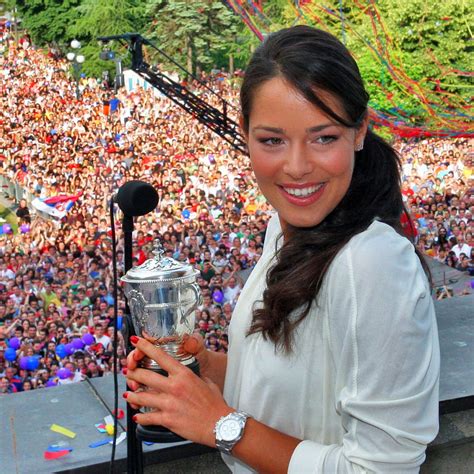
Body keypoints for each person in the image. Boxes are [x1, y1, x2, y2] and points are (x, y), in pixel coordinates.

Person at [124, 26, 440, 472]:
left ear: (360, 131)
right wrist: (206, 369)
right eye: (272, 140)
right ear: (245, 134)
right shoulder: (286, 223)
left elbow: (381, 468)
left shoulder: (372, 262)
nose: (296, 168)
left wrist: (220, 424)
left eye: (323, 137)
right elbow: (305, 383)